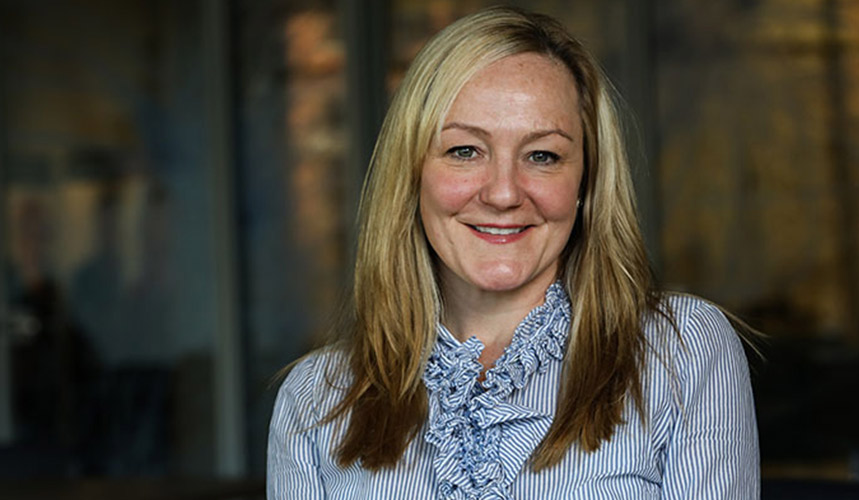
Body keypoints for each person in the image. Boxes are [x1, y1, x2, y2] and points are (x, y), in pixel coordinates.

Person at [268, 6, 759, 499]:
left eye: (542, 155)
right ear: (412, 173)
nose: (503, 193)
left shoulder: (681, 354)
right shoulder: (315, 401)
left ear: (585, 182)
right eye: (464, 151)